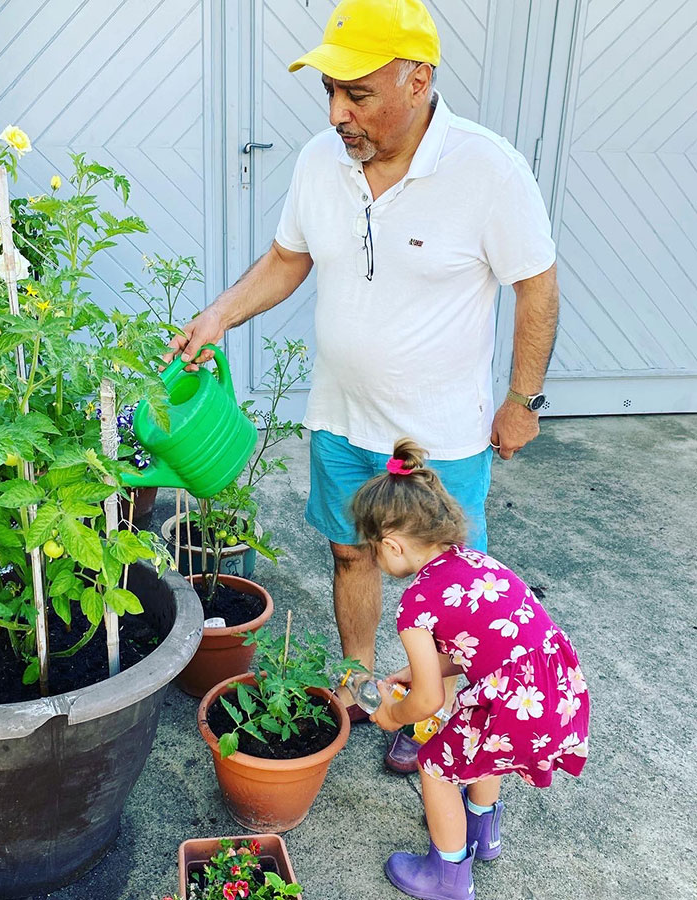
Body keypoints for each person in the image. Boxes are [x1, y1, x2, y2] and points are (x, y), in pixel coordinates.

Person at [165, 0, 560, 771]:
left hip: (439, 436)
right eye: (330, 92)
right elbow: (289, 259)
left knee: (447, 591)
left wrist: (523, 401)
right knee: (351, 556)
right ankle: (359, 680)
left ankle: (433, 714)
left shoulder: (488, 169)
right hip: (342, 419)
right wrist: (220, 315)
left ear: (418, 81)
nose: (337, 113)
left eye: (358, 94)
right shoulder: (322, 161)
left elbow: (536, 286)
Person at [350, 437, 589, 900]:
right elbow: (481, 644)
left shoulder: (416, 603)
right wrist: (417, 671)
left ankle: (448, 876)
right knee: (484, 749)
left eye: (372, 549)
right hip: (551, 690)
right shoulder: (475, 561)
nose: (375, 559)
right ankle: (483, 833)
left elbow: (428, 701)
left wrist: (392, 715)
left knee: (436, 766)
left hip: (512, 703)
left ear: (393, 545)